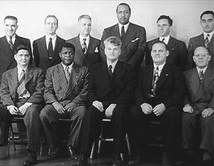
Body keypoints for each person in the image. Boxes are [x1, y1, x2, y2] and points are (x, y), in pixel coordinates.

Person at [75, 36, 135, 166]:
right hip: (100, 103)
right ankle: (83, 154)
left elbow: (129, 92)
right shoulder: (95, 68)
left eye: (115, 49)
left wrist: (114, 104)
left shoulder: (128, 68)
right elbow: (90, 90)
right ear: (104, 51)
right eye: (109, 49)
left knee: (121, 113)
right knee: (89, 113)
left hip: (118, 103)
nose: (112, 52)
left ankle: (116, 153)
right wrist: (95, 101)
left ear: (120, 51)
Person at [129, 41, 185, 166]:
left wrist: (165, 105)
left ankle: (168, 154)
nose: (157, 53)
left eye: (160, 51)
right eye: (154, 51)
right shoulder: (144, 70)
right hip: (147, 105)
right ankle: (139, 153)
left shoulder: (175, 70)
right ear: (151, 53)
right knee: (134, 112)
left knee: (173, 114)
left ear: (167, 53)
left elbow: (179, 93)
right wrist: (142, 104)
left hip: (166, 106)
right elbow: (137, 89)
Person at [0, 45, 44, 166]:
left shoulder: (38, 72)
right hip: (13, 104)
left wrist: (27, 104)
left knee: (33, 113)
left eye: (26, 55)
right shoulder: (7, 74)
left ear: (30, 57)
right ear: (15, 57)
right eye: (21, 55)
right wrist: (10, 106)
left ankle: (32, 153)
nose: (24, 58)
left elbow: (40, 91)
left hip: (30, 104)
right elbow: (3, 92)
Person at [40, 42, 89, 159]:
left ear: (74, 55)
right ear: (60, 55)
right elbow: (47, 91)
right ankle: (55, 146)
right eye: (65, 53)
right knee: (44, 114)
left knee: (82, 114)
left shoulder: (83, 70)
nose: (68, 56)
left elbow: (86, 91)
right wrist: (55, 103)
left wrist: (74, 103)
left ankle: (72, 146)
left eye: (71, 53)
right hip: (57, 103)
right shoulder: (51, 71)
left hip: (75, 104)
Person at [0, 15, 32, 147]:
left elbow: (28, 60)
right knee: (4, 109)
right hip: (5, 80)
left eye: (13, 25)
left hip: (22, 79)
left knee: (21, 109)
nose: (10, 28)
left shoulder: (25, 41)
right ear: (4, 26)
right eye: (7, 25)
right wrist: (5, 75)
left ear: (17, 26)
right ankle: (3, 140)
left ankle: (25, 141)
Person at [182, 46, 213, 166]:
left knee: (208, 119)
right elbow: (182, 92)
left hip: (208, 106)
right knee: (186, 118)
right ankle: (187, 151)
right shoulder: (186, 74)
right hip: (193, 106)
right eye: (197, 56)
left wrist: (211, 107)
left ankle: (207, 152)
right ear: (193, 58)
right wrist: (186, 104)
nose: (200, 58)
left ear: (209, 58)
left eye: (203, 55)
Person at [100, 3, 146, 71]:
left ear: (130, 13)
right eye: (120, 12)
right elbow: (103, 51)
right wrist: (112, 66)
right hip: (112, 71)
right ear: (117, 13)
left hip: (132, 70)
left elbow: (141, 51)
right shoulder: (107, 31)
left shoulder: (139, 30)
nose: (123, 15)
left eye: (126, 12)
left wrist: (127, 67)